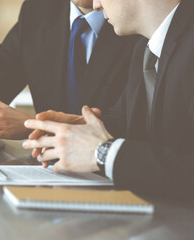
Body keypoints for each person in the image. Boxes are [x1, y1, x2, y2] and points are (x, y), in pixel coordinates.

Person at [23, 0, 194, 196]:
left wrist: (103, 153)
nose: (96, 5)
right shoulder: (144, 49)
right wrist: (77, 132)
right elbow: (128, 121)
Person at [0, 0, 137, 140]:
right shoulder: (38, 10)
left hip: (115, 176)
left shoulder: (138, 22)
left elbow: (134, 124)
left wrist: (31, 125)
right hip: (46, 173)